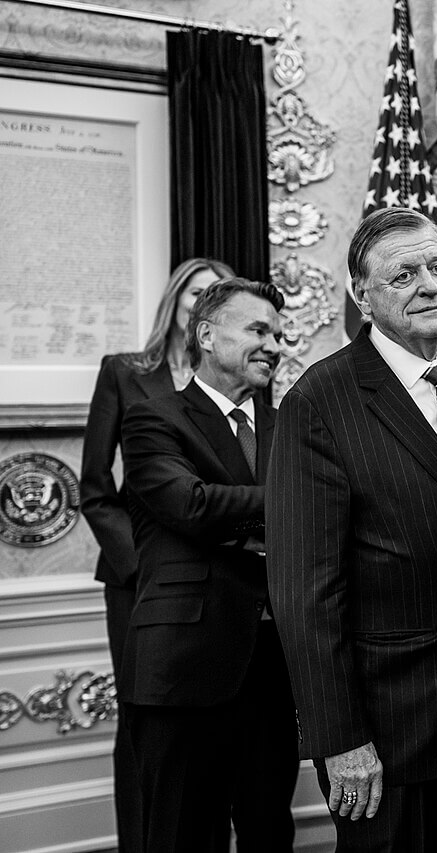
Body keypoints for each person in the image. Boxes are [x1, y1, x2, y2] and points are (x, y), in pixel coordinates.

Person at [266, 208, 437, 851]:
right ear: (362, 295)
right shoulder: (320, 402)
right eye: (404, 274)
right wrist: (341, 739)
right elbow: (305, 592)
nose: (431, 284)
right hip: (392, 734)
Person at [117, 277, 296, 851]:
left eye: (278, 334)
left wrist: (241, 523)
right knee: (182, 834)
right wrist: (295, 497)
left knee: (270, 830)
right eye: (258, 330)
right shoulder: (153, 419)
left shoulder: (290, 425)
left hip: (274, 667)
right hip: (184, 669)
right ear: (206, 335)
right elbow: (190, 506)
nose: (274, 344)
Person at [81, 256, 233, 853]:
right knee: (145, 724)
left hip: (218, 574)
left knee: (212, 719)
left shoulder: (232, 373)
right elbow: (94, 488)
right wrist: (141, 566)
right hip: (139, 579)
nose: (202, 303)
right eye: (194, 293)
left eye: (213, 296)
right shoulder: (125, 372)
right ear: (175, 301)